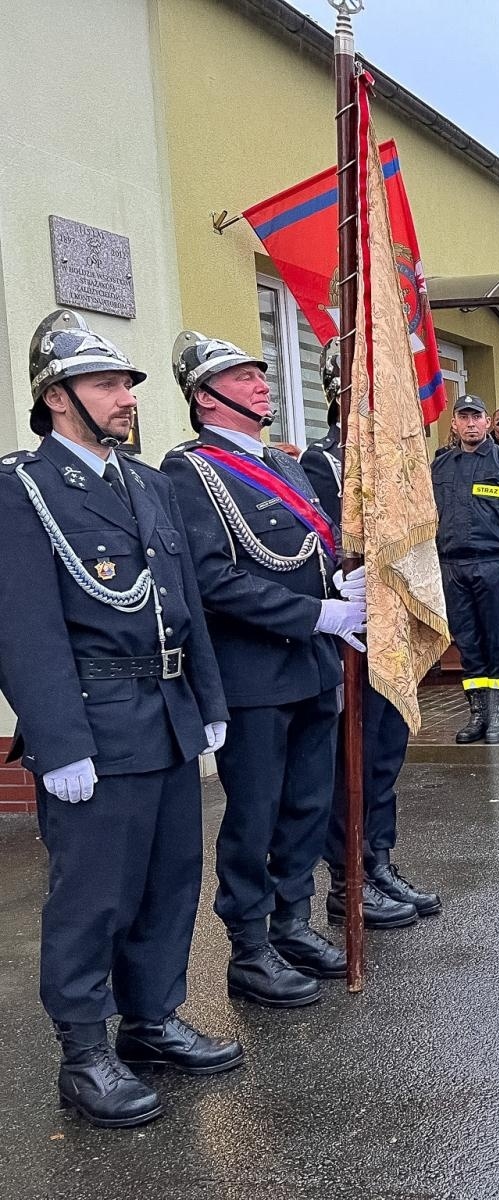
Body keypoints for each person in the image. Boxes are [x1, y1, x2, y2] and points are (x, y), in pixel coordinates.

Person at [0, 311, 241, 1128]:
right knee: (93, 896)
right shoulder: (22, 488)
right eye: (107, 384)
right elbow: (24, 626)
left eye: (129, 384)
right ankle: (83, 1052)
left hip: (168, 716)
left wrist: (208, 700)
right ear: (57, 397)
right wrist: (59, 741)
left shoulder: (145, 483)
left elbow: (187, 606)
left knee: (169, 883)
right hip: (96, 727)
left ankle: (151, 1020)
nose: (125, 397)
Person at [162, 330, 365, 1007]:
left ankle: (290, 922)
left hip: (310, 670)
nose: (261, 384)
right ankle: (249, 949)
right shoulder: (189, 472)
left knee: (306, 807)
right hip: (253, 676)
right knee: (254, 815)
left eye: (259, 373)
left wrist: (340, 593)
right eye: (243, 376)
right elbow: (215, 580)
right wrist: (316, 617)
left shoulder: (286, 466)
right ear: (206, 397)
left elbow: (308, 556)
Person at [300, 345, 430, 930]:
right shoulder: (322, 463)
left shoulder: (396, 467)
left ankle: (379, 857)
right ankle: (347, 875)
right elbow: (324, 545)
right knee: (350, 760)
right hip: (351, 633)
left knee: (384, 752)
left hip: (390, 629)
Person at [430, 394, 499, 745]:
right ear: (454, 423)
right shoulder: (441, 466)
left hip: (493, 565)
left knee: (498, 641)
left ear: (488, 423)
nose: (471, 423)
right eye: (464, 417)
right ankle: (478, 714)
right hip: (452, 566)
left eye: (477, 417)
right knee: (468, 643)